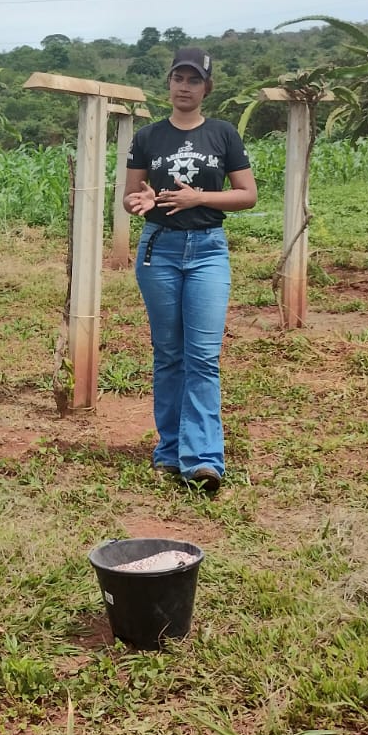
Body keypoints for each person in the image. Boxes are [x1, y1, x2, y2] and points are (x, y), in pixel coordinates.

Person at [123, 47, 256, 496]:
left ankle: (202, 460)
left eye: (194, 80)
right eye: (178, 78)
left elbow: (247, 195)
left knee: (202, 356)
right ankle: (168, 451)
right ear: (169, 84)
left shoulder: (223, 134)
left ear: (206, 88)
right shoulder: (147, 137)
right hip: (158, 250)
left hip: (207, 252)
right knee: (169, 355)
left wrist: (199, 198)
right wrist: (139, 202)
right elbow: (131, 195)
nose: (185, 86)